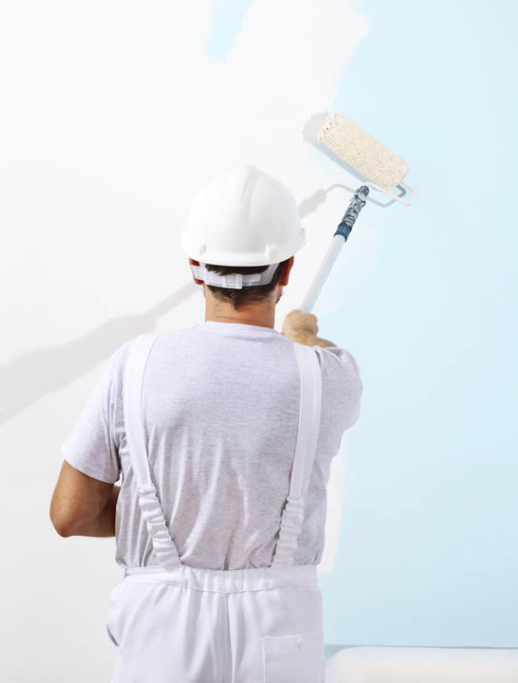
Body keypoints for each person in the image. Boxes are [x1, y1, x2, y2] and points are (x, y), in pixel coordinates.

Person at [49, 165, 362, 682]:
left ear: (196, 267)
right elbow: (316, 364)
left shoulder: (135, 365)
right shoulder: (331, 376)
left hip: (161, 620)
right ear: (286, 272)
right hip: (280, 621)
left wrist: (163, 516)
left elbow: (71, 515)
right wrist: (302, 340)